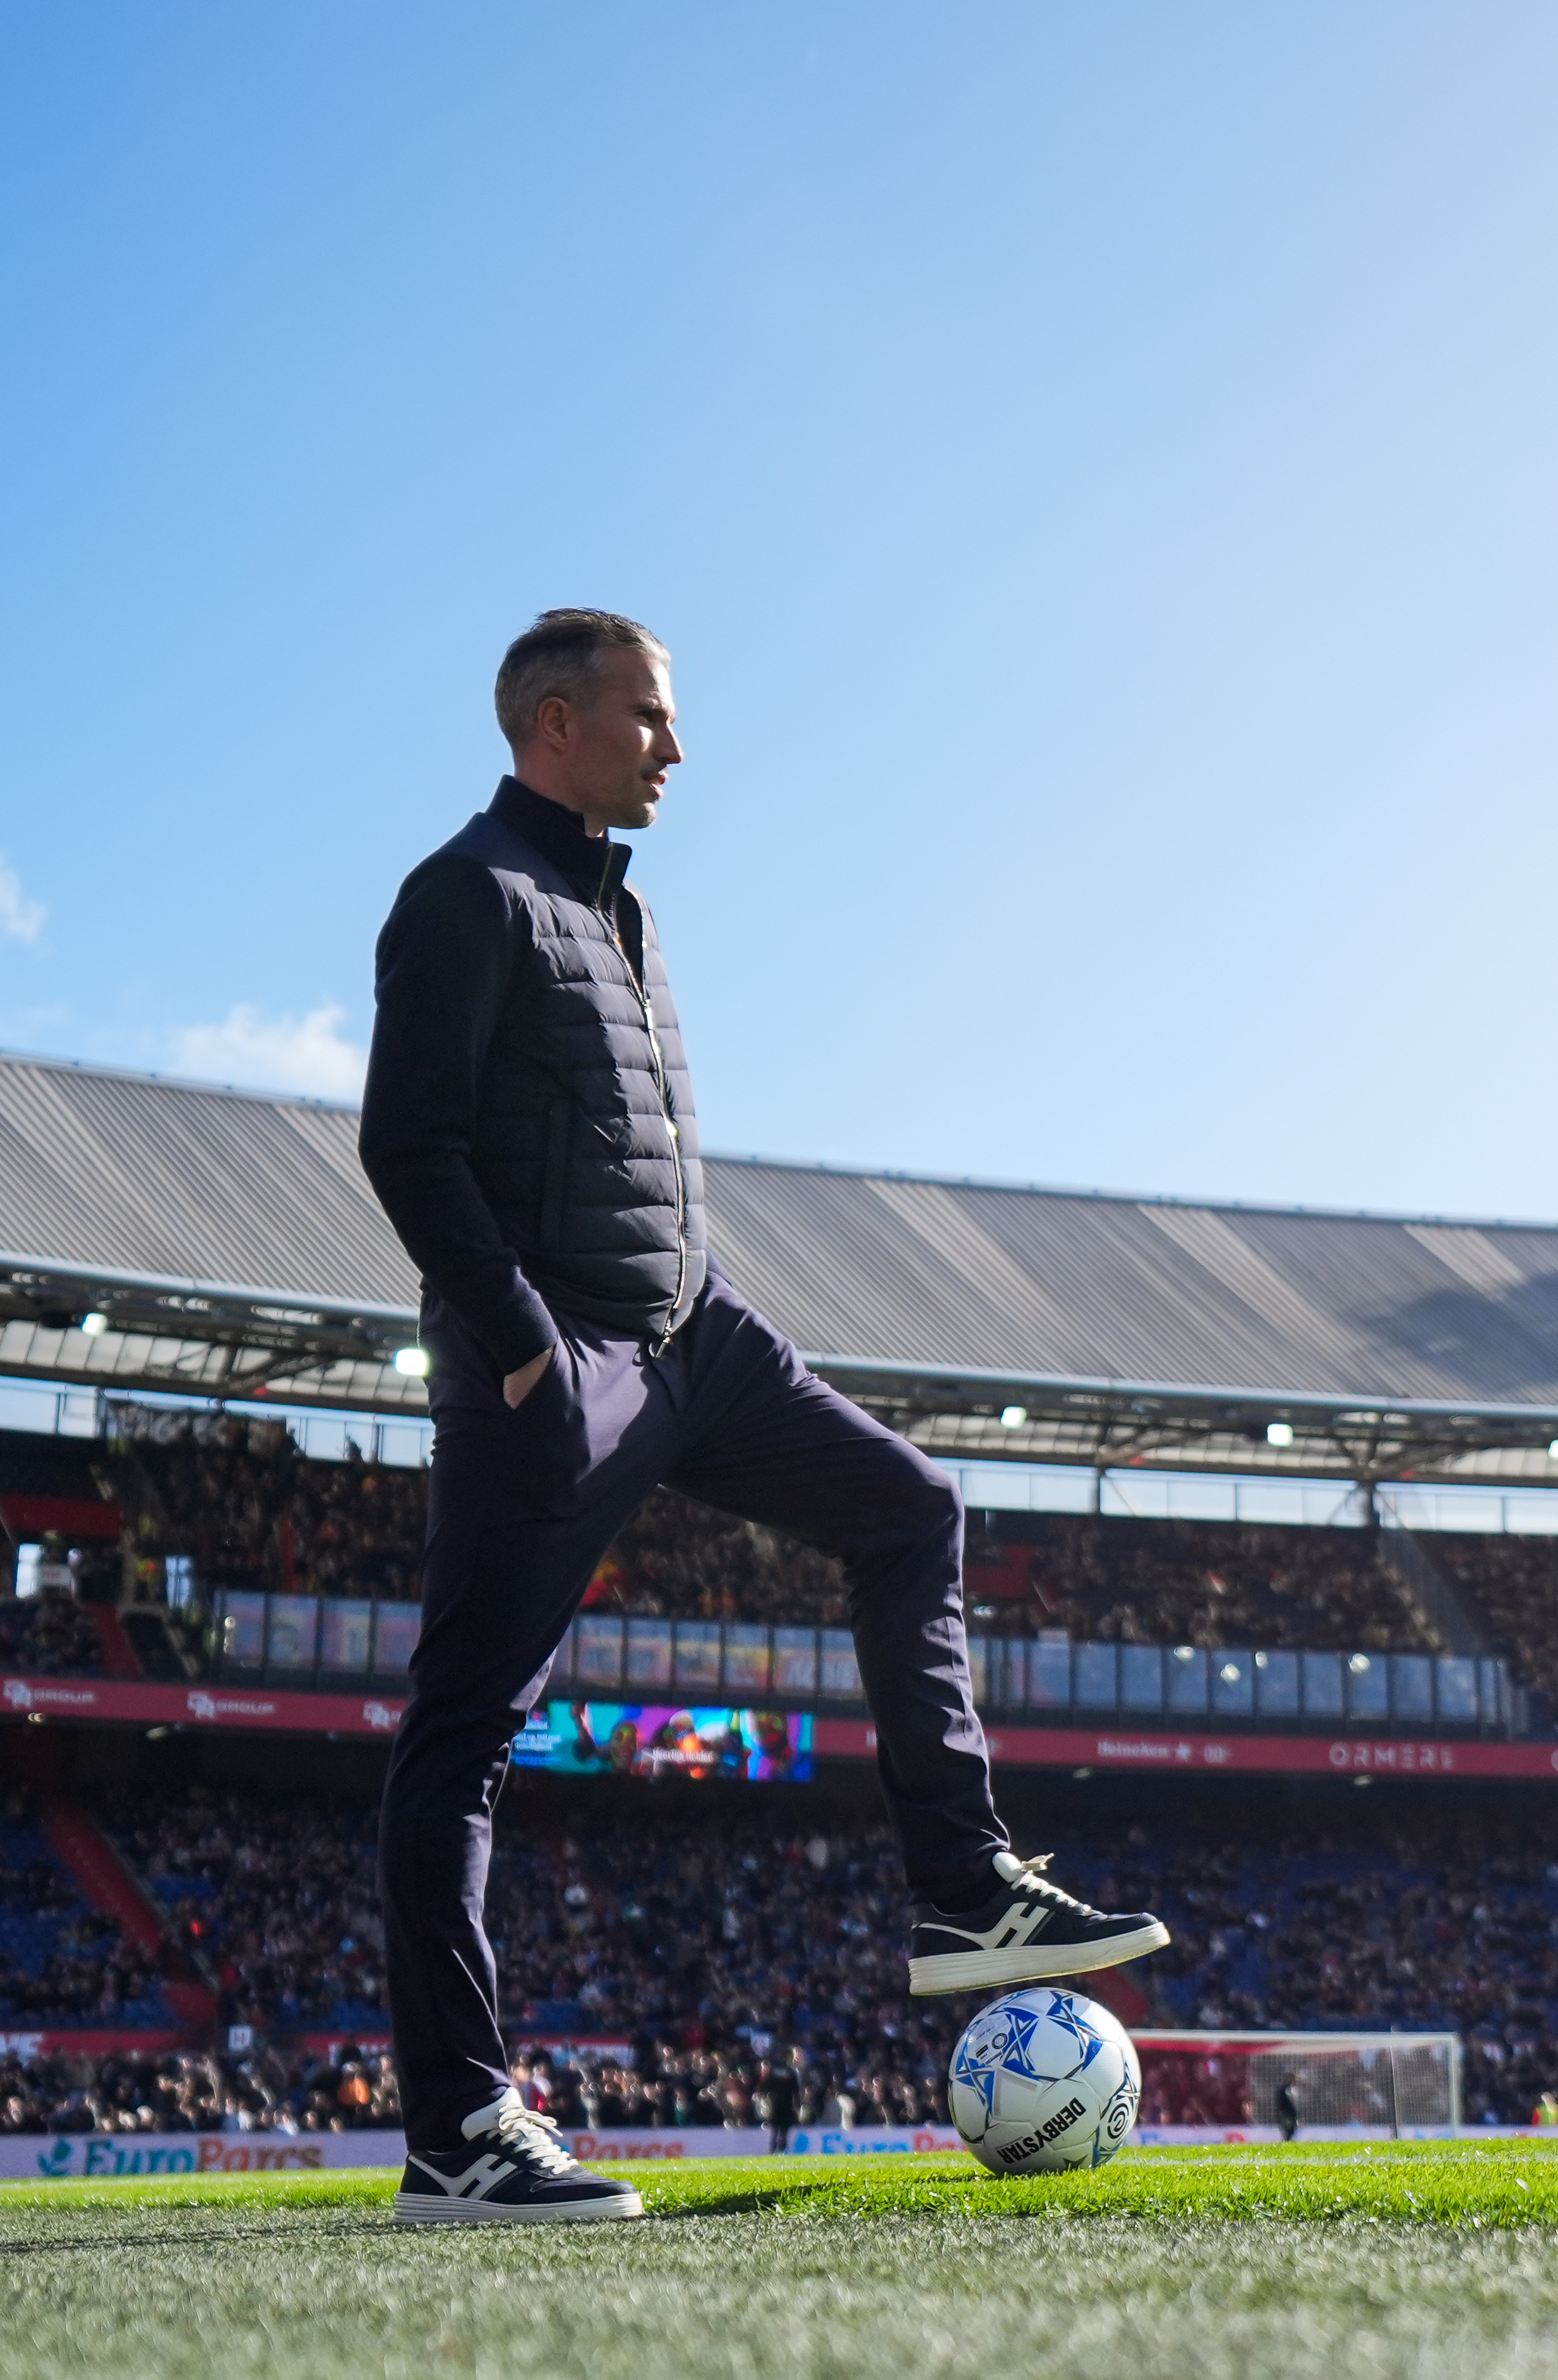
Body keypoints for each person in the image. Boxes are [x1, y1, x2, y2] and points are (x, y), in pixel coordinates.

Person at [359, 609, 1167, 2224]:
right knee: (465, 1735)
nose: (676, 747)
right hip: (558, 1367)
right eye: (650, 718)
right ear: (553, 721)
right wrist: (521, 1348)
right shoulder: (466, 895)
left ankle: (962, 1895)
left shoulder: (625, 906)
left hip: (694, 1335)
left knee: (911, 1508)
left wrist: (687, 1306)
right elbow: (406, 1141)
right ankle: (457, 2127)